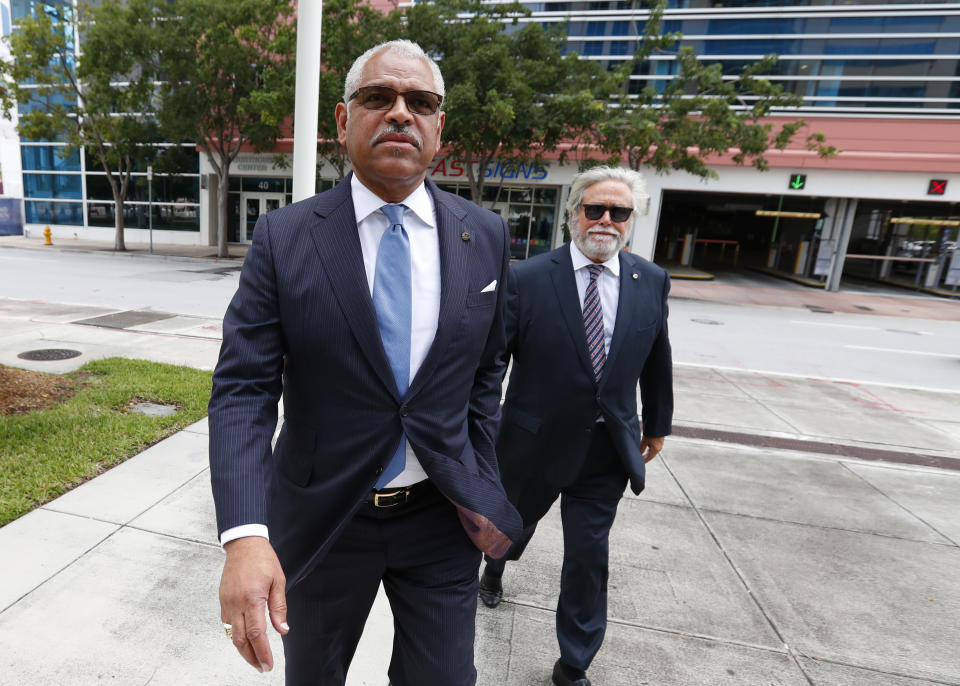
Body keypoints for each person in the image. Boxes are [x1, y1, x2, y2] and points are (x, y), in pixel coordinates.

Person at [208, 39, 521, 686]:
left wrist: (480, 475)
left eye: (421, 102)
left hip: (441, 517)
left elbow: (487, 370)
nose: (401, 113)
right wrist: (244, 534)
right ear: (343, 122)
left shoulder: (485, 234)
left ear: (441, 128)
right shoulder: (285, 236)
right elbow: (244, 390)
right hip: (326, 521)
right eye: (379, 97)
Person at [477, 166, 673, 686]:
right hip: (532, 444)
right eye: (596, 209)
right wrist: (481, 427)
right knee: (506, 534)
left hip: (606, 450)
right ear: (573, 215)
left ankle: (574, 663)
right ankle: (493, 569)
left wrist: (657, 425)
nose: (607, 220)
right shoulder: (526, 278)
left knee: (588, 559)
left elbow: (657, 358)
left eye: (620, 212)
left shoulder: (650, 281)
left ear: (632, 220)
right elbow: (492, 362)